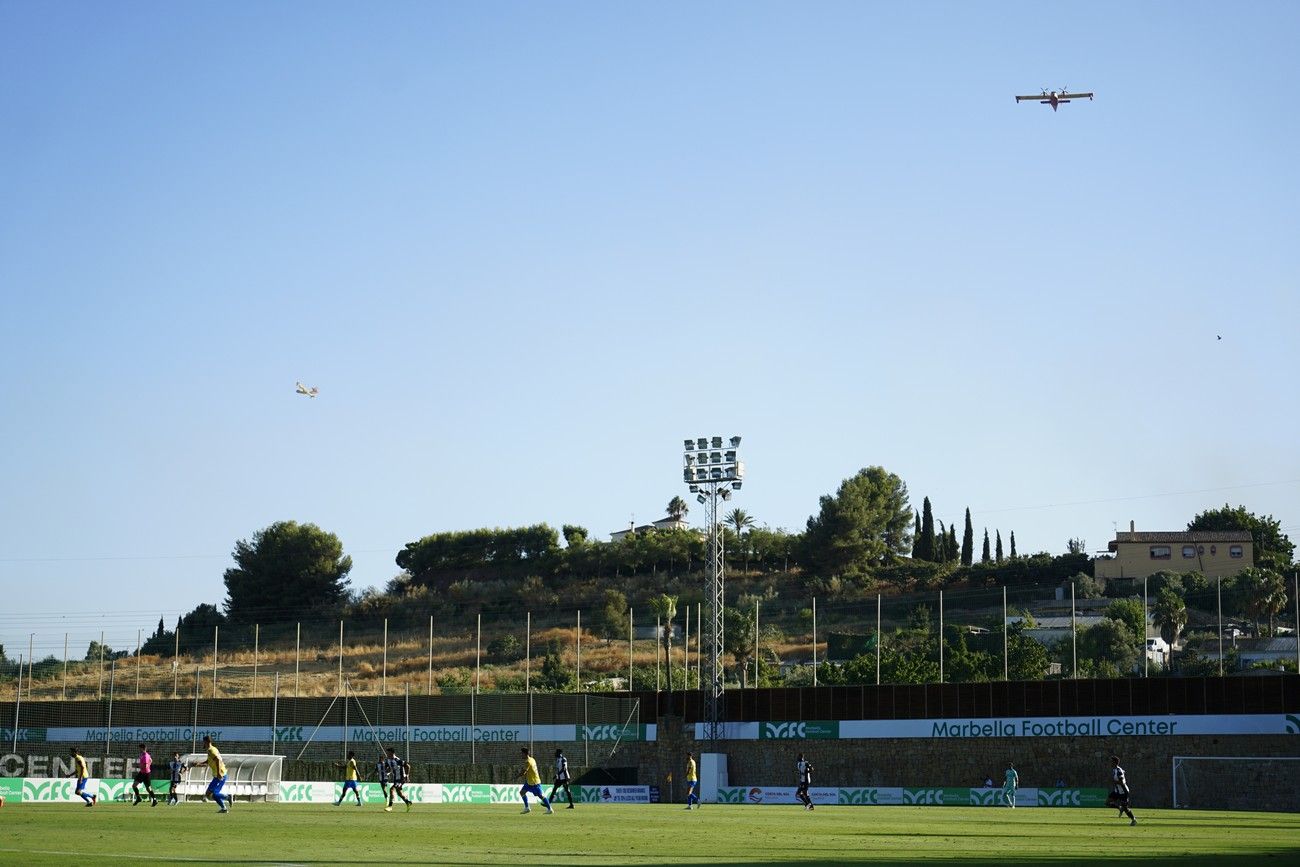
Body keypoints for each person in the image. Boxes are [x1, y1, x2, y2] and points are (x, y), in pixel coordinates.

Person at [188, 735, 229, 813]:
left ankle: (227, 798)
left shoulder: (211, 750)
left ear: (207, 742)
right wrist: (199, 764)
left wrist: (219, 773)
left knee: (213, 794)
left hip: (220, 775)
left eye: (203, 742)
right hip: (218, 775)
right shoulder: (212, 749)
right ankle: (224, 808)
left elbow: (217, 760)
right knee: (210, 794)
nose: (202, 743)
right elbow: (209, 762)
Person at [517, 747, 553, 814]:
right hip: (529, 782)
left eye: (522, 753)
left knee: (540, 796)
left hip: (534, 782)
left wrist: (517, 776)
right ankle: (527, 808)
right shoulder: (532, 759)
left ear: (525, 754)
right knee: (522, 792)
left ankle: (550, 809)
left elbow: (523, 772)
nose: (521, 755)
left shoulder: (528, 761)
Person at [1106, 755, 1137, 826]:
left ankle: (1134, 820)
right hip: (1117, 791)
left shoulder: (1118, 771)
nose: (1110, 763)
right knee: (1107, 802)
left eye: (1111, 762)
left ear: (1115, 762)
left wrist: (1114, 781)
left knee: (1126, 808)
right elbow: (1122, 773)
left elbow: (1122, 783)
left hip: (1123, 792)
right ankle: (1119, 808)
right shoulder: (1115, 769)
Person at [383, 747, 412, 813]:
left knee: (391, 789)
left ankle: (390, 806)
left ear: (392, 753)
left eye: (388, 753)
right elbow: (388, 769)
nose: (387, 754)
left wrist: (407, 776)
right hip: (396, 779)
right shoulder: (388, 760)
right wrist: (387, 772)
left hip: (401, 778)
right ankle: (408, 802)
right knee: (399, 793)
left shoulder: (397, 760)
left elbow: (408, 766)